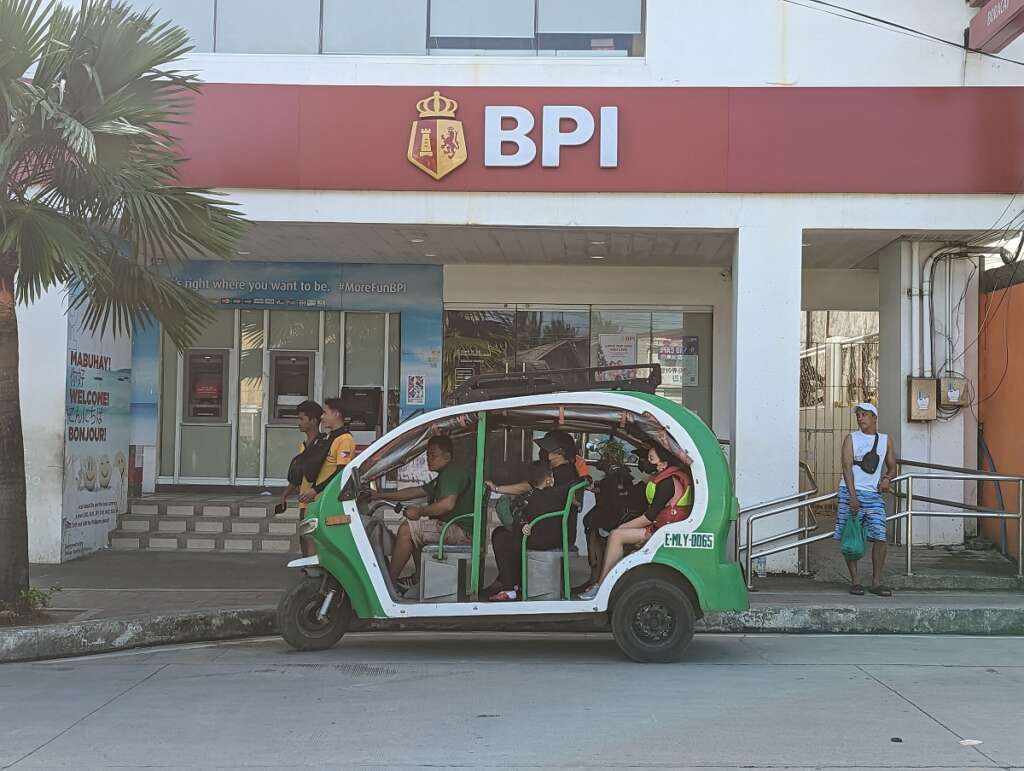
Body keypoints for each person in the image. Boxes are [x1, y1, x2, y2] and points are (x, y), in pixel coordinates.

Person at [579, 445, 692, 600]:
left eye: (651, 459)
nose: (647, 462)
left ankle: (602, 585)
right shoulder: (665, 479)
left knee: (616, 535)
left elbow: (649, 516)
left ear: (663, 464)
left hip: (661, 532)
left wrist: (623, 526)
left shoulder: (667, 483)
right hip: (660, 528)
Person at [371, 435, 475, 594]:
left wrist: (419, 512)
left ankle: (387, 586)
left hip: (461, 531)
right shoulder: (443, 475)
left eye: (433, 455)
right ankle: (420, 580)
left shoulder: (453, 472)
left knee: (407, 530)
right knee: (418, 531)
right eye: (427, 455)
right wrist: (379, 495)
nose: (428, 459)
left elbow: (447, 504)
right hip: (454, 527)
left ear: (447, 456)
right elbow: (414, 491)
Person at [836, 402, 897, 597]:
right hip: (850, 491)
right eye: (858, 415)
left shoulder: (885, 440)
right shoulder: (851, 439)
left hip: (873, 494)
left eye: (864, 414)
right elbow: (846, 468)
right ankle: (855, 581)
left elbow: (893, 466)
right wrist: (853, 497)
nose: (860, 417)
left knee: (880, 536)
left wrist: (887, 479)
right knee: (851, 536)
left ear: (874, 418)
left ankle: (876, 582)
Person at [485, 460, 560, 601]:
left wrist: (522, 525)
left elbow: (517, 516)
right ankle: (515, 583)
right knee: (507, 537)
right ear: (549, 479)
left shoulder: (526, 498)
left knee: (501, 537)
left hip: (535, 539)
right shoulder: (559, 494)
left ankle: (509, 587)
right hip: (555, 538)